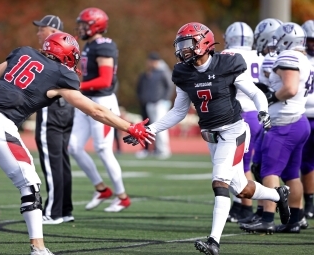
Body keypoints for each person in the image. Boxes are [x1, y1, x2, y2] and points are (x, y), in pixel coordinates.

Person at [0, 32, 154, 255]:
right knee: (29, 184)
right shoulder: (60, 75)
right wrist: (129, 127)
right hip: (0, 124)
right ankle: (38, 248)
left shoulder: (23, 52)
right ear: (68, 55)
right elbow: (95, 110)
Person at [124, 22, 290, 255]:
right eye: (181, 45)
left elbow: (254, 92)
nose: (183, 49)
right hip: (211, 136)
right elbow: (178, 112)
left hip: (234, 130)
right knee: (240, 188)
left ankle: (214, 241)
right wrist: (150, 130)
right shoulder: (183, 73)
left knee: (219, 182)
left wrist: (263, 111)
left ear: (204, 43)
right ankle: (277, 194)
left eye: (188, 44)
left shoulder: (226, 65)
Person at [240, 22, 311, 234]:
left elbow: (289, 87)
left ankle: (268, 218)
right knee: (291, 175)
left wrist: (272, 95)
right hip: (299, 120)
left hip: (284, 123)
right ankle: (295, 220)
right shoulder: (305, 59)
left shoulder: (289, 57)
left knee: (268, 171)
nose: (276, 44)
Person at [68, 7, 130, 212]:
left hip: (102, 103)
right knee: (74, 147)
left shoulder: (104, 45)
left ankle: (122, 196)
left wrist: (76, 87)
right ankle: (101, 188)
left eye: (84, 25)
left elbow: (104, 80)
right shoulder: (89, 45)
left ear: (96, 25)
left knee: (103, 149)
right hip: (86, 101)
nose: (81, 28)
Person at [238, 18, 284, 225]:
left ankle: (267, 215)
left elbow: (270, 91)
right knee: (259, 166)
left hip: (276, 118)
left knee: (265, 168)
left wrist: (270, 96)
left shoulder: (274, 60)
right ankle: (262, 210)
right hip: (271, 117)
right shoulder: (282, 57)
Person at [32, 15, 75, 225]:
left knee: (52, 162)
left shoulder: (52, 52)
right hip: (67, 108)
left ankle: (53, 211)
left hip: (52, 109)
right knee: (61, 161)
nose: (39, 33)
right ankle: (65, 209)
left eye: (42, 28)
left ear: (53, 30)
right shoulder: (70, 49)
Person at [222, 21, 264, 222]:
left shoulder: (226, 55)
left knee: (239, 166)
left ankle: (246, 208)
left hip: (238, 115)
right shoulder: (258, 55)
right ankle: (240, 206)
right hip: (256, 113)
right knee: (240, 165)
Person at [135, 52, 174, 160]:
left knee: (160, 127)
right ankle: (156, 149)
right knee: (151, 128)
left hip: (159, 103)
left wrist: (165, 99)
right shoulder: (149, 73)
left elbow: (170, 85)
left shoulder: (162, 72)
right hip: (150, 103)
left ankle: (163, 150)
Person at [300, 20, 314, 219]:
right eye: (310, 40)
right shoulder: (297, 58)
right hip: (302, 115)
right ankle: (308, 202)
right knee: (306, 163)